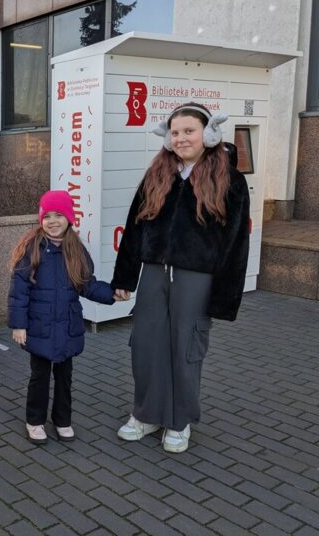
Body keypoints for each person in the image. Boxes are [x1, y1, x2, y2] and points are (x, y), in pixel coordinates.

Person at [112, 102, 250, 453]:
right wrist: (124, 277)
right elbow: (134, 229)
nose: (181, 138)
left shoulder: (229, 181)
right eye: (175, 132)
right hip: (154, 273)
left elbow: (235, 243)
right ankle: (146, 414)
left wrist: (224, 297)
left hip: (196, 277)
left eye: (189, 131)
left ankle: (179, 421)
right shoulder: (158, 174)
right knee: (146, 345)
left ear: (208, 133)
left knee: (186, 349)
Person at [8, 190, 117, 444]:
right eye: (48, 216)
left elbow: (87, 285)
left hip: (67, 326)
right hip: (40, 327)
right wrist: (18, 325)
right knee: (40, 377)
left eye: (59, 215)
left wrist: (112, 294)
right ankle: (35, 421)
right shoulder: (31, 249)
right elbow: (19, 292)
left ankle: (62, 420)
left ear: (69, 218)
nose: (53, 221)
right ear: (41, 218)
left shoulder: (75, 249)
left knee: (65, 378)